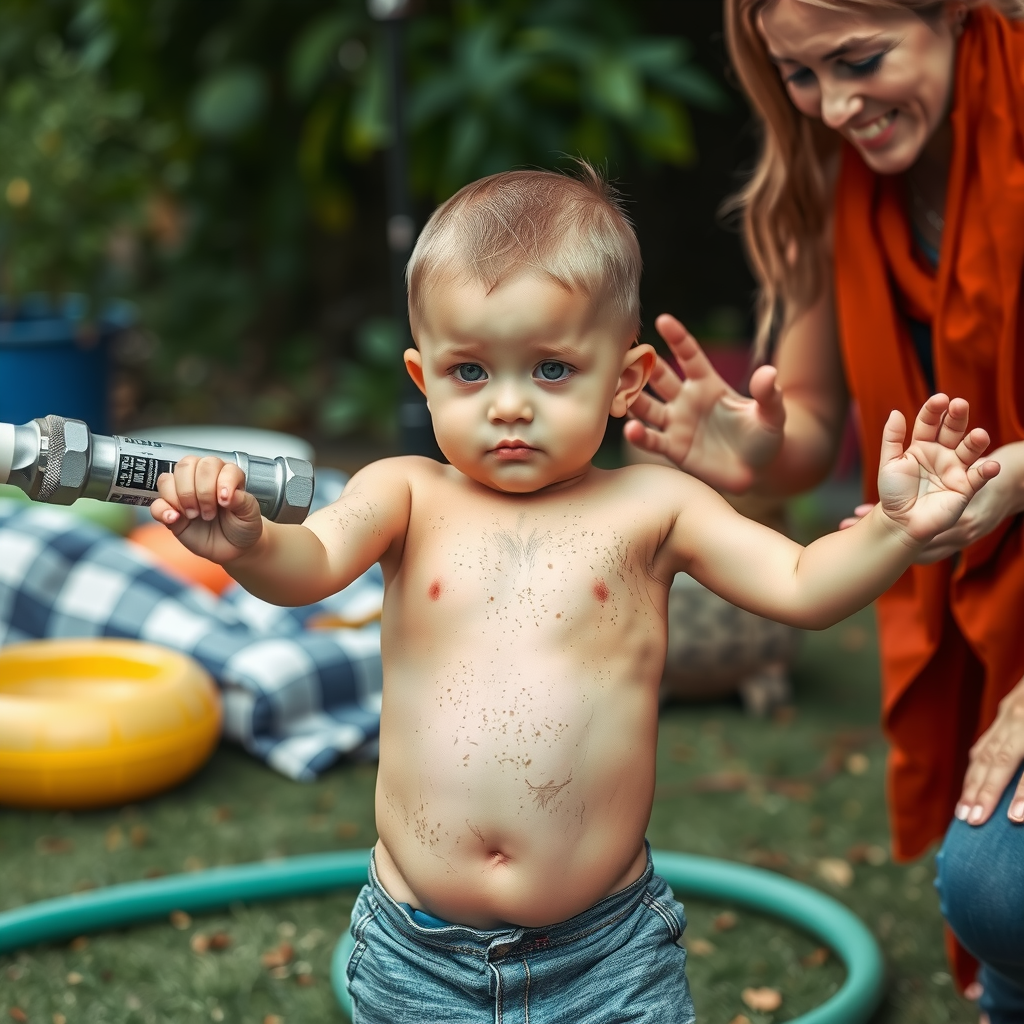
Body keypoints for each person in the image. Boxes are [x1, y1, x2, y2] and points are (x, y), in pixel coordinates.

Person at [152, 167, 994, 1024]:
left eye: (552, 369)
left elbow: (804, 584)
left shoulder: (655, 506)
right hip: (416, 950)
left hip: (606, 957)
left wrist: (897, 530)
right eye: (471, 372)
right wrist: (249, 544)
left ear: (626, 380)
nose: (509, 407)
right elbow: (313, 563)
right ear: (422, 374)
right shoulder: (404, 492)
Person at [623, 1, 1024, 1019]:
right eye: (800, 75)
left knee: (999, 886)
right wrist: (752, 447)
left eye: (860, 59)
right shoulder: (825, 175)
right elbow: (806, 425)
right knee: (998, 888)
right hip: (980, 566)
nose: (835, 105)